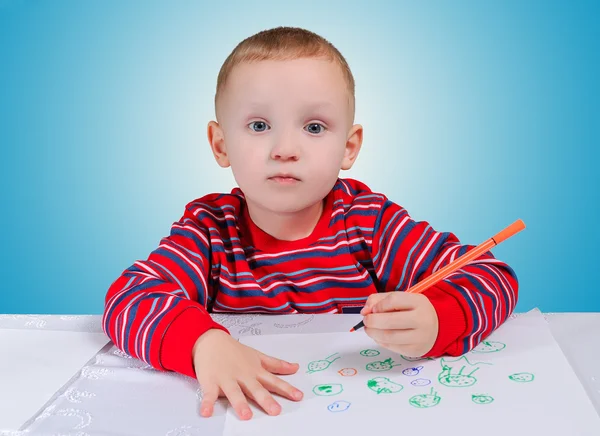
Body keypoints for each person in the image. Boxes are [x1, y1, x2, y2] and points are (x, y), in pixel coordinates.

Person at [103, 26, 518, 421]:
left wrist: (437, 318)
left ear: (348, 148)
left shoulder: (370, 222)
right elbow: (128, 299)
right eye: (259, 126)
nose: (285, 149)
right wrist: (202, 343)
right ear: (221, 144)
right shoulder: (209, 230)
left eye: (314, 127)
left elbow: (491, 276)